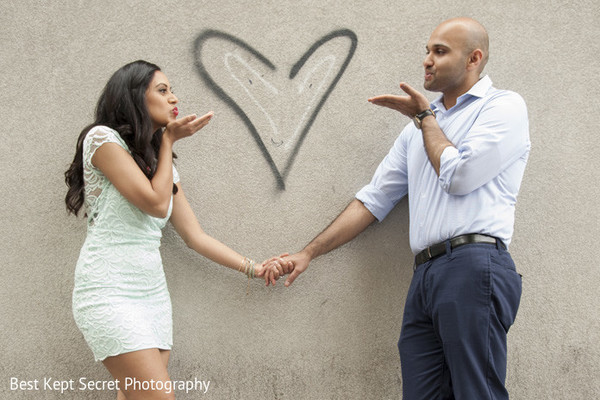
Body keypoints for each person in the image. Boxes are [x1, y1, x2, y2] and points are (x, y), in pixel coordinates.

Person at [279, 18, 530, 399]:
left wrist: (425, 118)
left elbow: (460, 176)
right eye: (427, 51)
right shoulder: (418, 128)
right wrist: (308, 252)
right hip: (425, 275)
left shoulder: (503, 107)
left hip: (474, 265)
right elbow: (374, 199)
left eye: (440, 52)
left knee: (477, 392)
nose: (427, 60)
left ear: (474, 58)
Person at [64, 60, 286, 400]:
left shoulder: (160, 166)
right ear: (135, 97)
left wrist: (254, 268)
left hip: (152, 297)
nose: (173, 98)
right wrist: (168, 141)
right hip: (108, 292)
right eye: (163, 90)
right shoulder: (102, 139)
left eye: (172, 90)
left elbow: (195, 237)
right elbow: (154, 203)